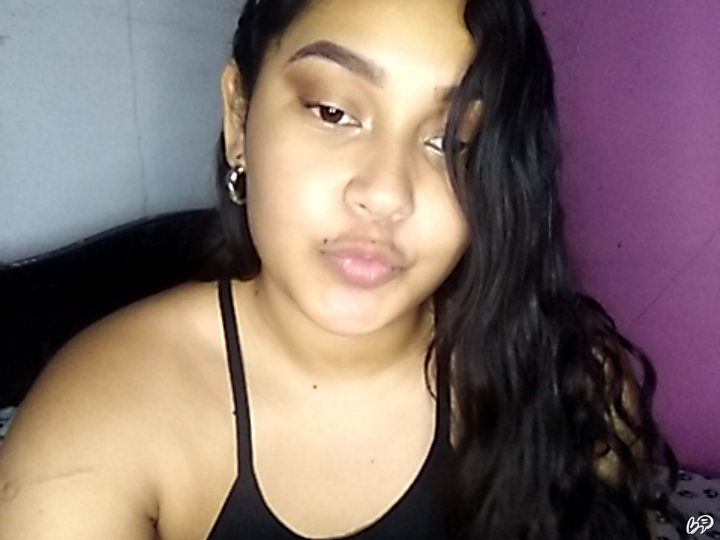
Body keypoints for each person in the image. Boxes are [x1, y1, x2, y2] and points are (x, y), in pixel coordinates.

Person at [0, 0, 679, 538]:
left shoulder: (572, 381)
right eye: (333, 111)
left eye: (454, 142)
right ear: (239, 117)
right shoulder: (98, 425)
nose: (385, 193)